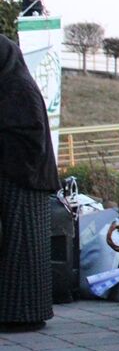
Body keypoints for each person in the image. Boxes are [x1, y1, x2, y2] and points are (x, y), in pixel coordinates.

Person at [0, 34, 60, 332]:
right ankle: (14, 312)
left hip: (24, 183)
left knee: (23, 250)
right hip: (17, 179)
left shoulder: (18, 88)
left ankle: (24, 314)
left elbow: (27, 137)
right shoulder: (9, 85)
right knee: (15, 251)